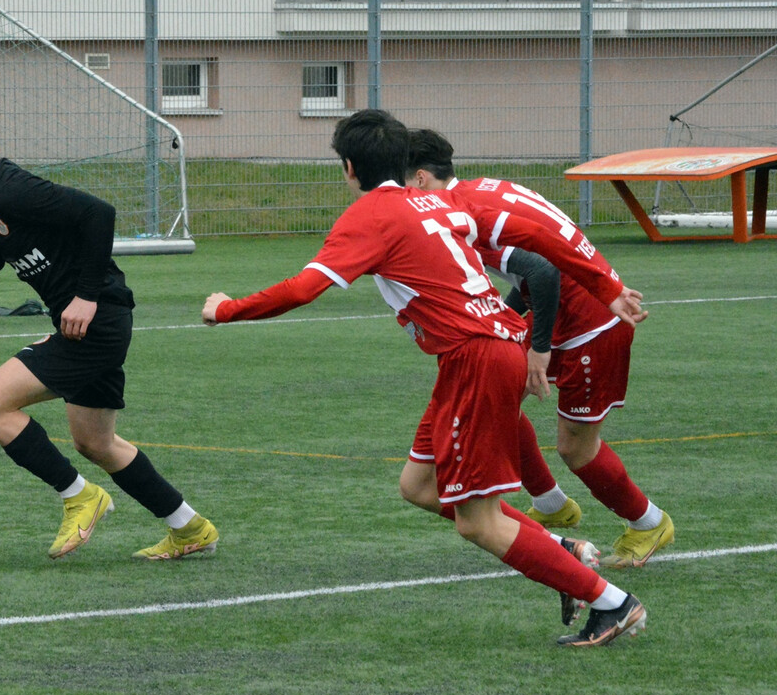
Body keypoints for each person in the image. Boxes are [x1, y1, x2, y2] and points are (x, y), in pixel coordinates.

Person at [203, 108, 648, 646]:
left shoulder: (371, 216)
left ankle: (612, 602)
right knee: (419, 486)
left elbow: (302, 290)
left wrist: (226, 308)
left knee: (477, 523)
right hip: (486, 349)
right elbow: (536, 235)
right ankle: (564, 554)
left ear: (348, 168)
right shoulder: (440, 199)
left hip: (476, 357)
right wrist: (604, 285)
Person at [0, 87, 217, 561]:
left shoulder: (12, 188)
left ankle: (80, 497)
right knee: (95, 442)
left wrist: (85, 296)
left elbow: (98, 214)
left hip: (98, 321)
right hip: (91, 325)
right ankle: (189, 527)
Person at [402, 128, 673, 570]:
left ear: (418, 180)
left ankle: (649, 522)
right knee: (498, 397)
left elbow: (542, 272)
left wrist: (539, 349)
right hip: (568, 307)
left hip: (592, 325)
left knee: (575, 448)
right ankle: (552, 506)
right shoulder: (484, 188)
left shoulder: (460, 212)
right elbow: (533, 274)